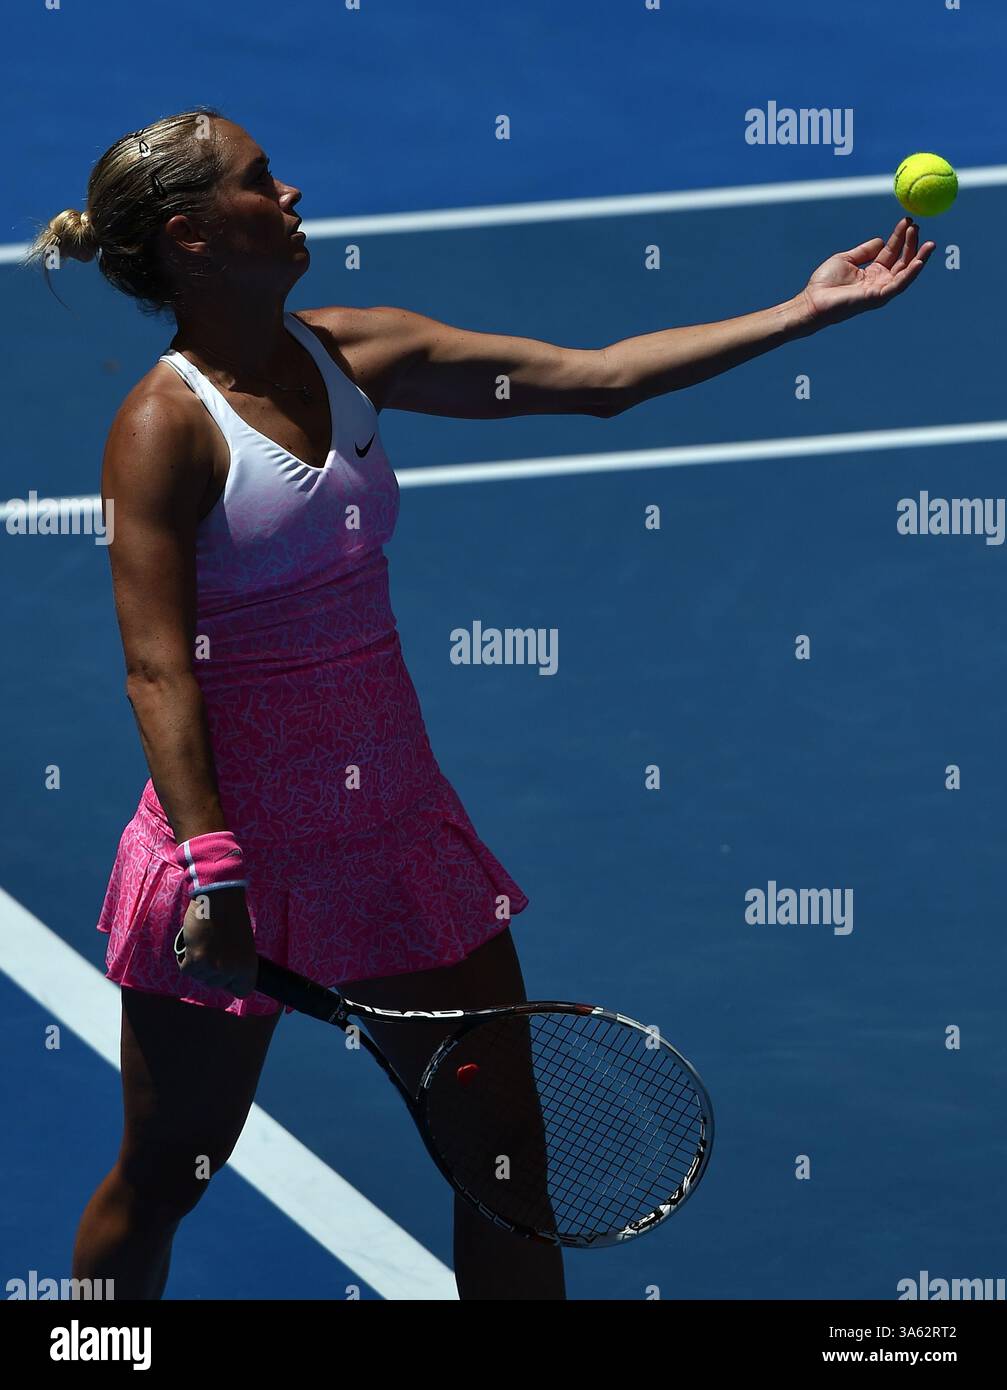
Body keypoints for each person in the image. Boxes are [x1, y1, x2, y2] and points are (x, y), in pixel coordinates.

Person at [25, 106, 932, 1302]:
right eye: (262, 182)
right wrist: (214, 870)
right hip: (228, 865)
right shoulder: (161, 429)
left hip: (396, 848)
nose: (293, 193)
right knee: (165, 1179)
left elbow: (596, 382)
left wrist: (802, 310)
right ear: (193, 235)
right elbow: (158, 668)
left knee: (506, 1179)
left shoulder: (357, 353)